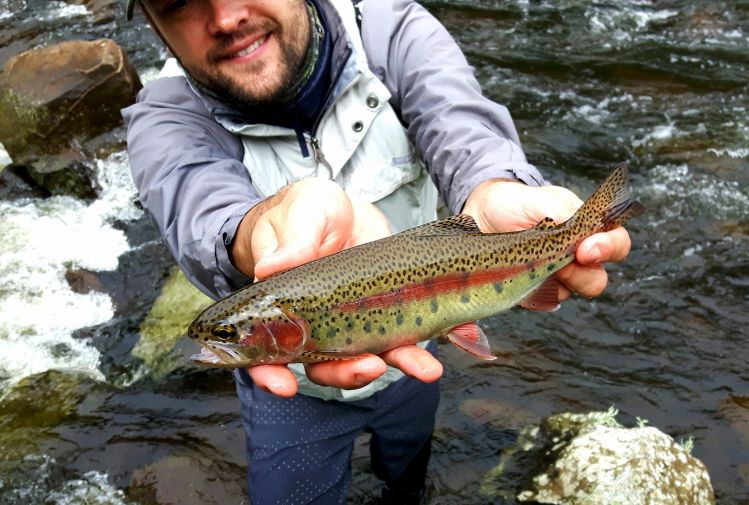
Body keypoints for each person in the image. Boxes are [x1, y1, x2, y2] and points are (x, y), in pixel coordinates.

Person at [122, 0, 633, 503]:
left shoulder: (393, 30)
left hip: (417, 354)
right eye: (178, 3)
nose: (225, 17)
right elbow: (201, 209)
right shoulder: (162, 120)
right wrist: (255, 231)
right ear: (151, 20)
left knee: (407, 470)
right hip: (289, 394)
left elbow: (463, 129)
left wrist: (494, 187)